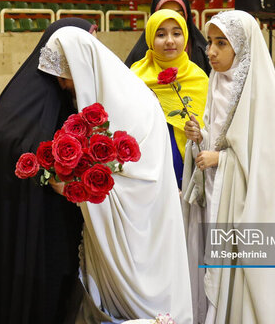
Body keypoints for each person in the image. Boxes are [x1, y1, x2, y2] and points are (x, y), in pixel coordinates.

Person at [0, 18, 95, 324]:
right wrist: (51, 172)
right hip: (21, 218)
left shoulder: (79, 94)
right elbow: (11, 143)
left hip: (58, 219)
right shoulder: (25, 95)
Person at [38, 26, 193, 323]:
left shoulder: (133, 100)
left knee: (149, 289)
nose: (62, 83)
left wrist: (75, 186)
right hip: (112, 221)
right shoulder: (95, 95)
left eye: (64, 73)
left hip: (146, 219)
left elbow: (143, 173)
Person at [182, 10, 275, 324]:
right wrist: (199, 139)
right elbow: (218, 138)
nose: (210, 51)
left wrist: (222, 159)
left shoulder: (259, 94)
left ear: (242, 47)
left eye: (221, 43)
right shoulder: (216, 84)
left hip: (243, 202)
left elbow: (267, 163)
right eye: (210, 42)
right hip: (217, 195)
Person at [129, 9, 208, 188]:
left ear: (185, 36)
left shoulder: (199, 78)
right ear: (149, 38)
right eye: (161, 34)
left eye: (177, 33)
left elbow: (209, 127)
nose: (170, 41)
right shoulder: (134, 76)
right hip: (147, 164)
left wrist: (199, 132)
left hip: (190, 163)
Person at [125, 0, 211, 75]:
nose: (171, 18)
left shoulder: (202, 54)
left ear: (186, 16)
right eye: (163, 13)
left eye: (179, 14)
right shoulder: (137, 65)